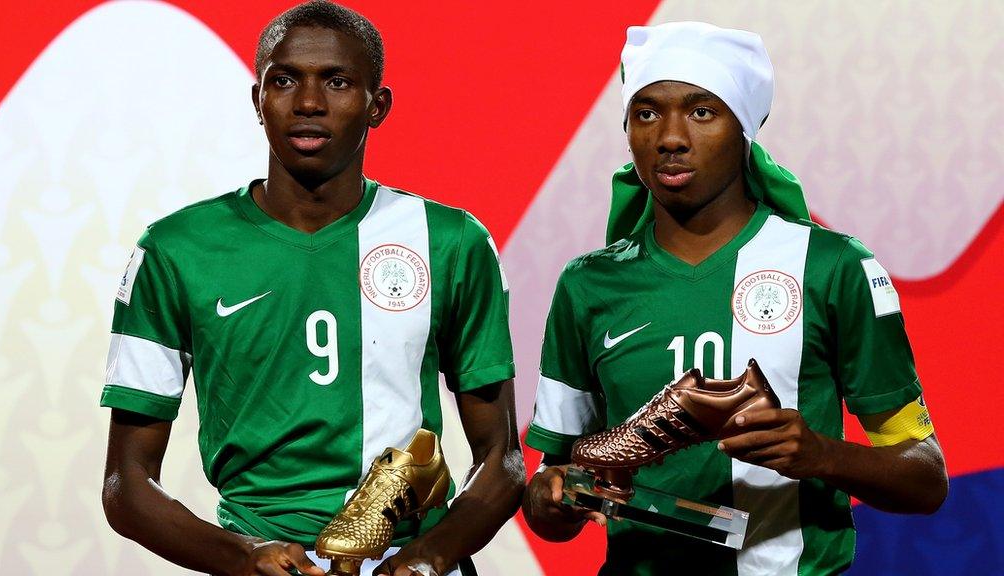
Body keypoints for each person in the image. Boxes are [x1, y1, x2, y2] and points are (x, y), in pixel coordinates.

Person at [99, 3, 524, 575]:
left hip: (409, 556)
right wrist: (242, 557)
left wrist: (429, 556)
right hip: (257, 557)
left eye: (338, 82)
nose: (308, 104)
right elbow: (126, 484)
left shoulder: (451, 241)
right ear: (258, 101)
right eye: (284, 80)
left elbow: (502, 460)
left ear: (379, 106)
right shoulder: (176, 250)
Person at [522, 22, 948, 575]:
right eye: (647, 113)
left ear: (744, 128)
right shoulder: (588, 284)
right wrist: (551, 497)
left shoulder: (831, 266)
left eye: (702, 112)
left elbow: (925, 477)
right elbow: (557, 490)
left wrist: (822, 454)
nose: (670, 137)